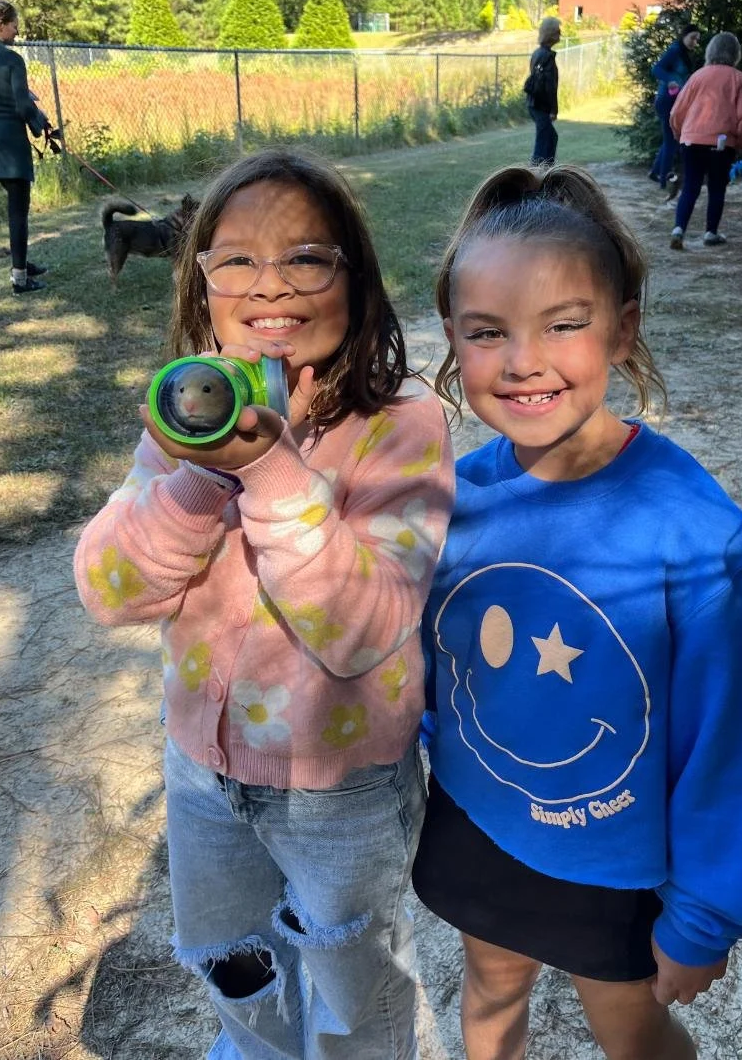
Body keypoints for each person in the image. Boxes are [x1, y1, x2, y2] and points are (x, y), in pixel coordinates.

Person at [74, 148, 454, 1060]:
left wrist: (267, 470)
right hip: (203, 775)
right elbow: (110, 591)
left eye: (305, 258)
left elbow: (362, 628)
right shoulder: (185, 415)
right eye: (234, 258)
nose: (268, 284)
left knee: (355, 987)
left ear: (354, 281)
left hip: (342, 791)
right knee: (235, 965)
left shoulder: (401, 424)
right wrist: (201, 477)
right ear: (200, 285)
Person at [412, 163, 742, 1060]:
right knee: (492, 987)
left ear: (622, 329)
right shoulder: (450, 501)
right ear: (453, 342)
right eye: (487, 332)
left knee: (629, 1034)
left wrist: (702, 914)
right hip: (477, 820)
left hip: (616, 863)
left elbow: (734, 746)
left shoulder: (706, 544)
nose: (523, 360)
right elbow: (438, 664)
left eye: (564, 324)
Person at [0, 0, 51, 294]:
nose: (17, 30)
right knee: (18, 208)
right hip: (8, 140)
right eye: (14, 24)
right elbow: (22, 106)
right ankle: (20, 278)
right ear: (1, 24)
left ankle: (22, 261)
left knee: (14, 201)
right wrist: (41, 123)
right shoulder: (12, 59)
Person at [668, 32, 742, 250]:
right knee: (717, 187)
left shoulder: (698, 76)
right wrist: (740, 141)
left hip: (692, 139)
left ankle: (678, 229)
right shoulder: (738, 79)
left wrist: (679, 134)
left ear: (710, 51)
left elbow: (677, 111)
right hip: (722, 142)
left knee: (690, 186)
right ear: (735, 54)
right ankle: (710, 232)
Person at [649, 23, 700, 189]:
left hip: (676, 102)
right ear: (684, 35)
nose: (694, 42)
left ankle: (656, 172)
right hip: (666, 101)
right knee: (672, 141)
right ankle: (663, 181)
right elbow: (656, 69)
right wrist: (669, 79)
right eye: (692, 38)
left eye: (697, 40)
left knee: (670, 140)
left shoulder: (685, 53)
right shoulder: (674, 50)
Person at [525, 17, 561, 166]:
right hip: (540, 104)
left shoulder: (537, 53)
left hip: (534, 103)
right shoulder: (546, 56)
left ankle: (547, 170)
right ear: (551, 33)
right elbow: (549, 86)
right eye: (558, 30)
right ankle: (537, 174)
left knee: (551, 136)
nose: (560, 33)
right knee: (544, 139)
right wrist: (553, 109)